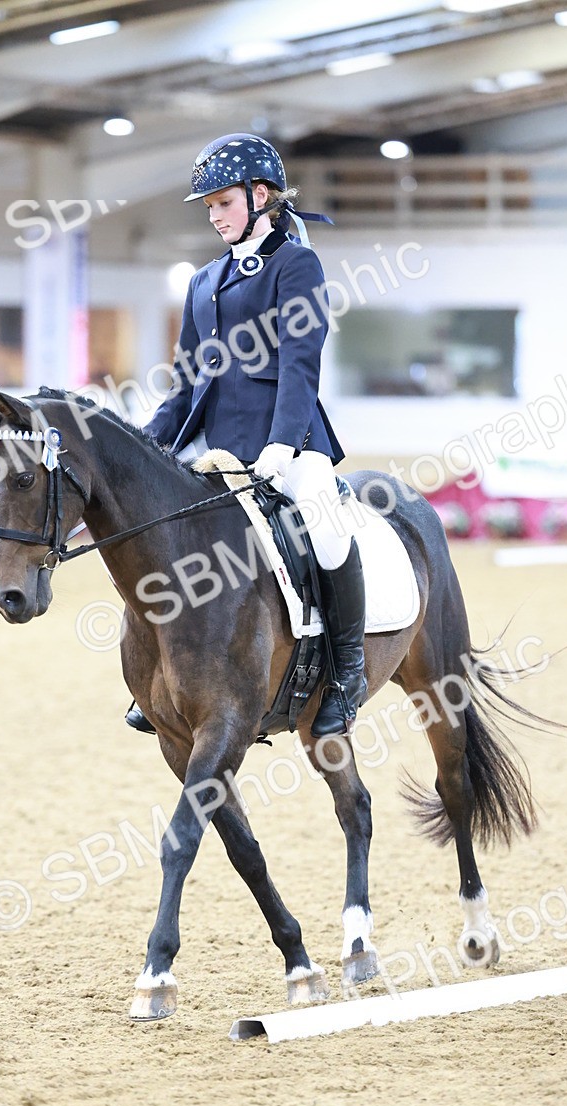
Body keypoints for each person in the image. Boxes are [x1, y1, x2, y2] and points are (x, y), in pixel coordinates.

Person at [126, 132, 366, 738]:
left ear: (261, 196)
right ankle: (162, 670)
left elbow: (299, 365)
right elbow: (186, 381)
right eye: (207, 207)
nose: (214, 217)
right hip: (214, 445)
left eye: (223, 204)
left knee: (323, 524)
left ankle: (346, 671)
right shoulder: (203, 280)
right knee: (159, 533)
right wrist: (147, 446)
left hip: (288, 441)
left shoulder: (296, 264)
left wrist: (282, 446)